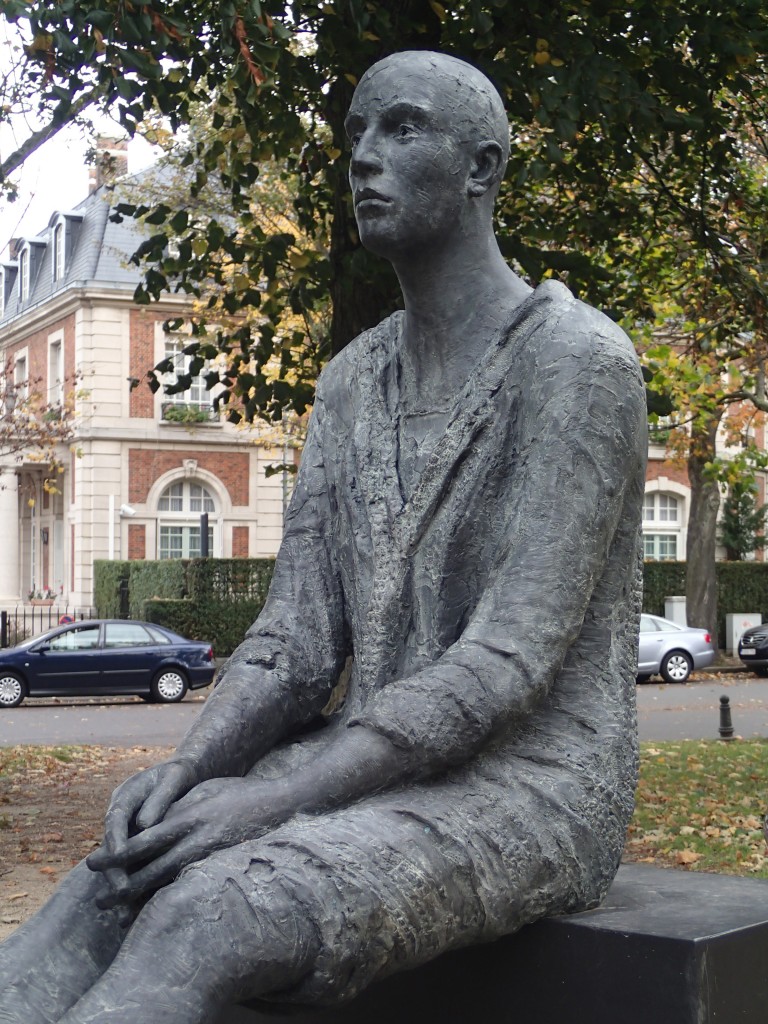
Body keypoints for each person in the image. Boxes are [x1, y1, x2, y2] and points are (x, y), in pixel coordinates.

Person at [0, 50, 647, 1024]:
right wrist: (190, 770)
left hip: (535, 786)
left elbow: (504, 665)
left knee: (212, 909)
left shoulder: (579, 364)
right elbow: (294, 640)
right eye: (354, 136)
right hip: (373, 763)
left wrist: (270, 800)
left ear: (482, 168)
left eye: (402, 128)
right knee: (116, 871)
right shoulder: (350, 382)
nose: (364, 159)